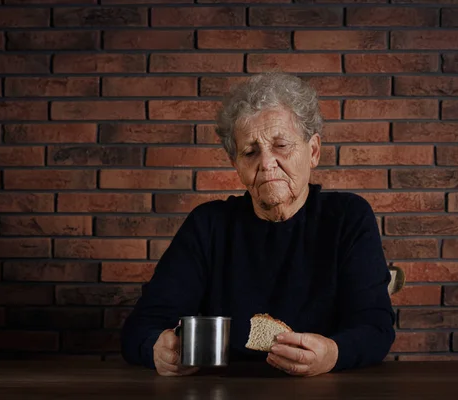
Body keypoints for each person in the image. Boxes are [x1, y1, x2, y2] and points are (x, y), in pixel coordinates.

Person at [121, 72, 396, 377]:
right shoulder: (208, 225)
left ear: (313, 151)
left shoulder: (348, 217)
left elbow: (376, 328)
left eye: (281, 146)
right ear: (235, 164)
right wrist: (156, 348)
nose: (266, 163)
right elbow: (140, 327)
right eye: (250, 152)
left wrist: (333, 353)